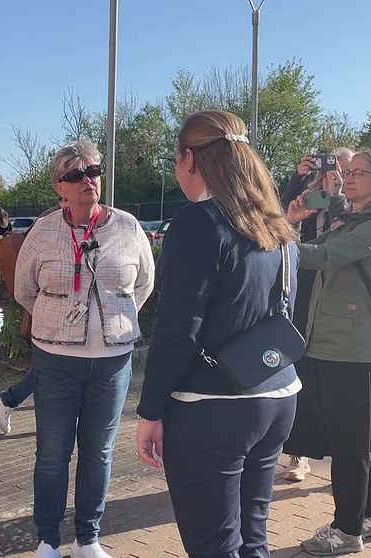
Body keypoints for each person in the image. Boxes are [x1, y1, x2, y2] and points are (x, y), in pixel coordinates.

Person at [134, 110, 300, 558]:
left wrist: (150, 411)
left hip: (212, 407)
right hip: (278, 394)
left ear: (190, 158)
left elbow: (177, 329)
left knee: (215, 547)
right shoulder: (277, 227)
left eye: (175, 159)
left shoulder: (197, 223)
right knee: (252, 542)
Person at [15, 140, 154, 558]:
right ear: (60, 187)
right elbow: (25, 289)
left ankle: (88, 538)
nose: (87, 181)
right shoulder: (43, 231)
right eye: (75, 176)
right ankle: (47, 540)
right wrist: (60, 322)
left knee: (99, 451)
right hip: (56, 360)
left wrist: (113, 321)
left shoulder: (128, 226)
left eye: (93, 171)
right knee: (53, 453)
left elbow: (145, 283)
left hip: (112, 363)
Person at [285, 148, 371, 556]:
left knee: (349, 448)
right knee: (348, 439)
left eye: (360, 173)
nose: (348, 177)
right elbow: (311, 216)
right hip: (326, 343)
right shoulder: (349, 217)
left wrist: (271, 240)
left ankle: (347, 532)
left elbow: (320, 256)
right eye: (348, 170)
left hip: (351, 350)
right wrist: (296, 201)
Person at [279, 148, 354, 483]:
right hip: (304, 292)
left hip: (339, 299)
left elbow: (342, 232)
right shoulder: (309, 194)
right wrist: (300, 178)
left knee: (340, 386)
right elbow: (279, 217)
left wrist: (337, 194)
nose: (335, 174)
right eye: (330, 167)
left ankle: (350, 465)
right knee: (301, 373)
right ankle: (298, 455)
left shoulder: (355, 203)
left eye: (344, 169)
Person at [0, 197, 66, 435]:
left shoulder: (67, 219)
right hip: (53, 315)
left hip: (63, 317)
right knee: (53, 368)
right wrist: (43, 310)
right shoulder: (49, 222)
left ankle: (10, 400)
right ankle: (9, 399)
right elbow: (27, 282)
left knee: (56, 369)